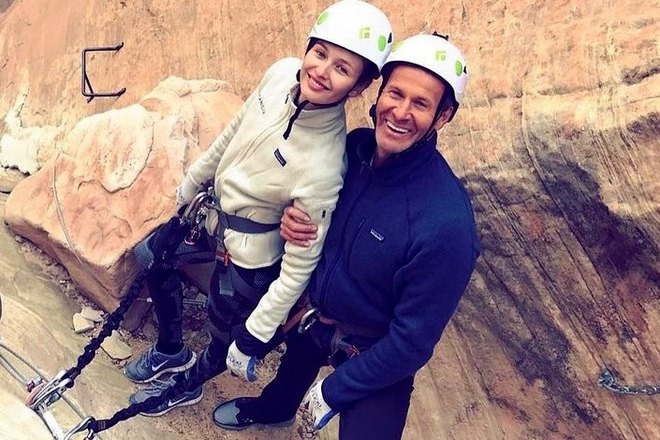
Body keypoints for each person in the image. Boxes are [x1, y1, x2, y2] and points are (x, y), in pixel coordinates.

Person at [124, 0, 394, 417]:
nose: (321, 71)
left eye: (342, 68)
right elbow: (236, 129)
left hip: (249, 260)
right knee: (151, 256)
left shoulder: (324, 165)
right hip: (212, 217)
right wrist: (193, 182)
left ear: (358, 88)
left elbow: (300, 266)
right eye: (320, 53)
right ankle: (171, 349)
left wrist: (256, 333)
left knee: (222, 335)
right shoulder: (281, 73)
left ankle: (186, 385)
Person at [213, 33, 481, 439]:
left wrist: (336, 390)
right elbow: (307, 199)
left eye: (421, 103)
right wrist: (290, 217)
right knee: (294, 358)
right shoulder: (354, 150)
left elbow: (412, 341)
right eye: (396, 93)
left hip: (375, 348)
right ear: (380, 93)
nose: (401, 112)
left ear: (443, 116)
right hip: (315, 314)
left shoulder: (445, 223)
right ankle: (276, 408)